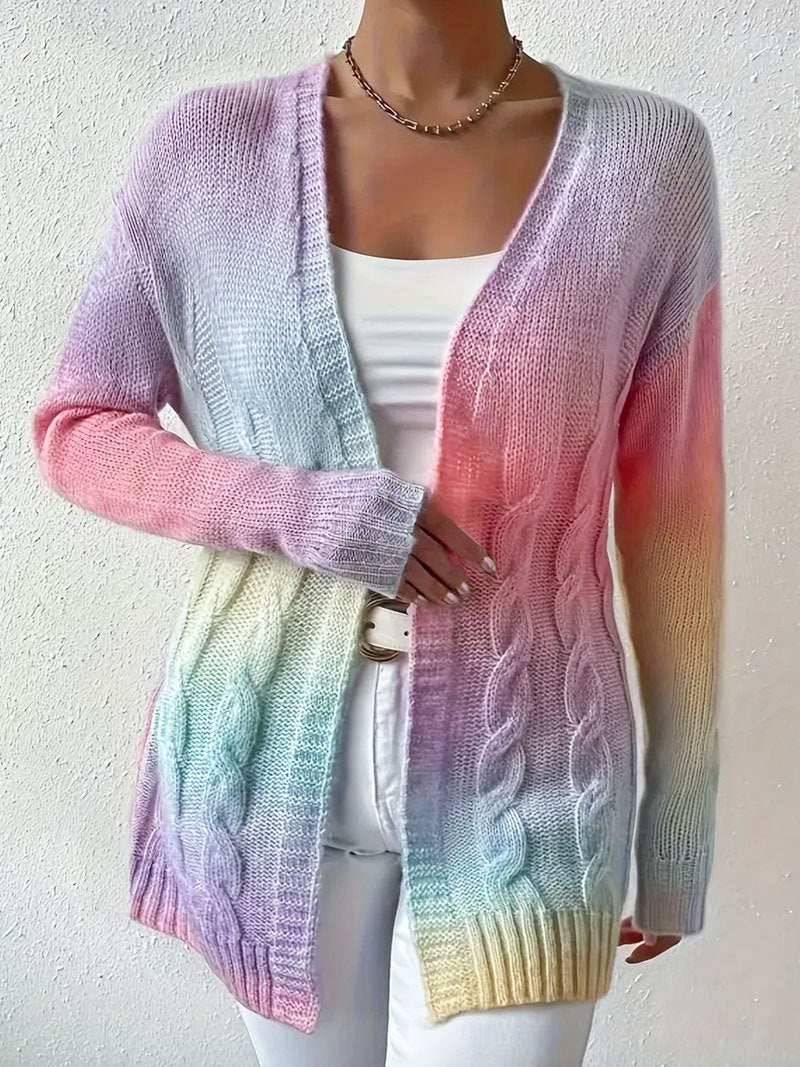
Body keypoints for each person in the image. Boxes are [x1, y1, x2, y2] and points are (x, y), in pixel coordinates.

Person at [30, 2, 725, 1065]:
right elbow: (80, 425)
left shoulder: (647, 159)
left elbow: (674, 509)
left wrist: (678, 817)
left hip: (530, 780)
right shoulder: (205, 149)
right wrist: (300, 509)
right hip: (258, 774)